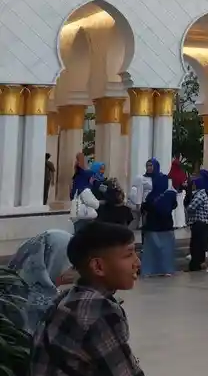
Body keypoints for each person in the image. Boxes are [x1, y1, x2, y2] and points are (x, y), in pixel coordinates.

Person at [28, 222, 142, 376]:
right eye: (128, 255)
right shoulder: (97, 311)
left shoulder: (67, 298)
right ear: (98, 267)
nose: (137, 262)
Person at [0, 230, 73, 335]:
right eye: (71, 264)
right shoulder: (34, 306)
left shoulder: (10, 287)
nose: (76, 270)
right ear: (52, 261)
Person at [140, 158, 177, 277]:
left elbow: (146, 206)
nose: (149, 168)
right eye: (147, 165)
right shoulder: (144, 180)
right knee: (160, 248)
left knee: (157, 248)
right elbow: (174, 204)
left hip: (157, 223)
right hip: (161, 223)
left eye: (151, 166)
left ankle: (156, 269)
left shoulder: (153, 195)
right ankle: (161, 269)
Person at [184, 176, 208, 272]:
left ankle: (195, 265)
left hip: (199, 223)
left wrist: (187, 205)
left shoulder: (200, 195)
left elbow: (191, 207)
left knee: (196, 246)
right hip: (199, 223)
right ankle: (198, 264)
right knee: (197, 245)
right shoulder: (198, 194)